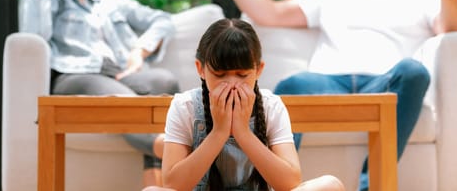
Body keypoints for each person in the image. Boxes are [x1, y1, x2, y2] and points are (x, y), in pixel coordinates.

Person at [210, 0, 457, 191]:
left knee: (414, 72)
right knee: (292, 84)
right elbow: (272, 13)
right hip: (327, 83)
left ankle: (370, 187)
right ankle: (269, 183)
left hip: (385, 84)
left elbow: (455, 29)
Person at [19, 0, 180, 187]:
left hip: (118, 72)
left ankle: (155, 185)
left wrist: (139, 51)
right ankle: (171, 150)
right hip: (75, 75)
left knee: (164, 82)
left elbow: (162, 20)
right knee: (125, 101)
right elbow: (33, 38)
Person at [145, 18, 344, 191]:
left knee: (331, 185)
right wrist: (219, 133)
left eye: (242, 75)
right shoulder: (185, 106)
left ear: (258, 70)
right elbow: (173, 185)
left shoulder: (271, 106)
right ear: (201, 69)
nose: (232, 84)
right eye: (220, 75)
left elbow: (290, 183)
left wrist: (243, 132)